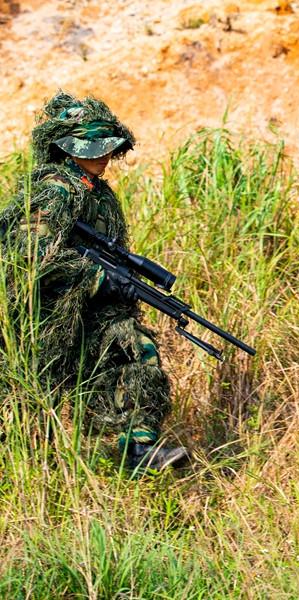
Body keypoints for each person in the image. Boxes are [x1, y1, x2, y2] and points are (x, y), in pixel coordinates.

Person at [0, 92, 187, 471]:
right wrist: (96, 277)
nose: (103, 154)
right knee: (23, 394)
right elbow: (28, 257)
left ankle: (137, 449)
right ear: (66, 149)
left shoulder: (96, 192)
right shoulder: (55, 190)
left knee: (133, 349)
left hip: (85, 308)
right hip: (41, 314)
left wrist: (116, 283)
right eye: (92, 146)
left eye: (106, 147)